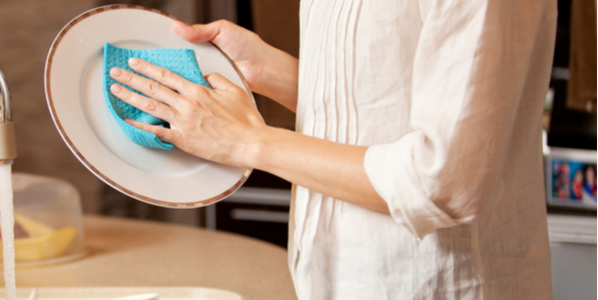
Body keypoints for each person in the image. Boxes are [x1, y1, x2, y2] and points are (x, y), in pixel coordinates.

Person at [107, 0, 556, 298]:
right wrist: (272, 73)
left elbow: (442, 182)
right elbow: (385, 107)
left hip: (429, 286)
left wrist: (245, 141)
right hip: (328, 279)